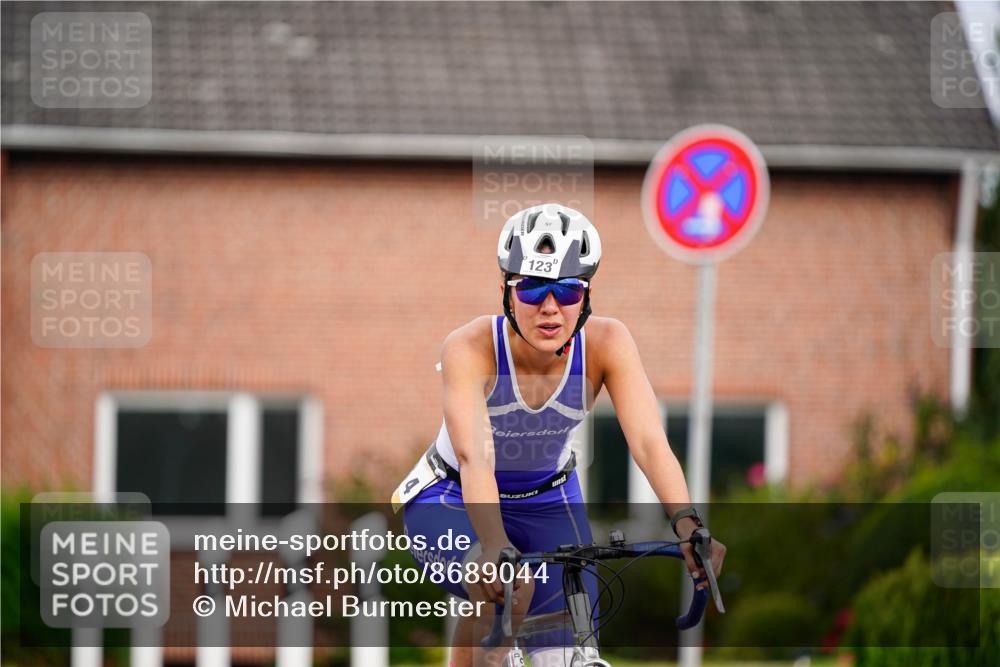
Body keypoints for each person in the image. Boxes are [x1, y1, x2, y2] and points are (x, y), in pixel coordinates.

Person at [393, 203, 726, 666]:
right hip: (449, 496)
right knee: (507, 588)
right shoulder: (469, 347)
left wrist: (688, 524)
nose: (550, 308)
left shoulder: (609, 344)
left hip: (548, 500)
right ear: (506, 293)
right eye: (532, 289)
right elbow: (474, 458)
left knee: (568, 653)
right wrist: (493, 544)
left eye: (567, 290)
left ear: (586, 296)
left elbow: (650, 443)